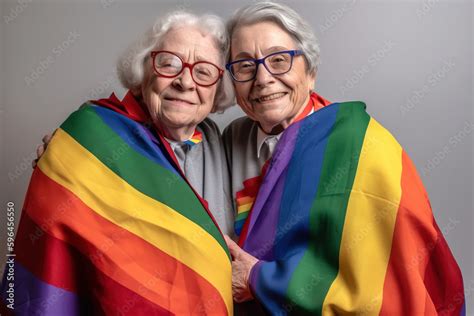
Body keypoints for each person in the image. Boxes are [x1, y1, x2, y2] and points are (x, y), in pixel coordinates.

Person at [222, 2, 465, 315]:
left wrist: (259, 279)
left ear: (310, 72)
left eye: (279, 60)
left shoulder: (361, 143)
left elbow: (382, 287)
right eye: (244, 66)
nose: (263, 78)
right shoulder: (231, 140)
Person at [1, 11, 234, 315]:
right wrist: (63, 157)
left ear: (218, 90)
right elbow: (51, 254)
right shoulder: (92, 135)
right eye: (169, 63)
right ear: (142, 73)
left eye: (204, 72)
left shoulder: (222, 143)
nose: (185, 81)